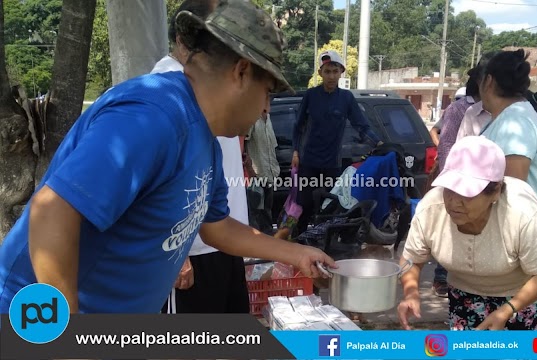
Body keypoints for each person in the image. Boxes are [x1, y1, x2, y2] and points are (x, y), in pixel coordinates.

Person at [0, 0, 334, 314]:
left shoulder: (206, 140)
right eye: (268, 92)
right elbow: (51, 212)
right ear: (242, 72)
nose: (265, 110)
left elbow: (217, 229)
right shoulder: (153, 115)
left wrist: (297, 252)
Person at [397, 136, 537, 330]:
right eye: (449, 189)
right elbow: (412, 259)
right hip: (463, 291)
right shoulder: (430, 209)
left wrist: (508, 309)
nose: (454, 202)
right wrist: (411, 292)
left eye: (466, 193)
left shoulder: (521, 215)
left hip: (522, 293)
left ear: (495, 191)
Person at [151, 0, 251, 314]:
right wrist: (178, 258)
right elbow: (155, 187)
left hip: (225, 237)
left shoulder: (213, 84)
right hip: (190, 251)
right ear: (184, 39)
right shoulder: (166, 88)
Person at [292, 50, 383, 235]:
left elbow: (361, 125)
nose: (331, 76)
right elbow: (298, 126)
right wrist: (295, 151)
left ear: (341, 72)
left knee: (331, 206)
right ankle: (298, 242)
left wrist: (378, 144)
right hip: (308, 162)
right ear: (320, 73)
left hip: (332, 163)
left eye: (335, 71)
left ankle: (326, 244)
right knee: (304, 207)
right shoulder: (311, 95)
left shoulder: (346, 98)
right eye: (327, 72)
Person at [476, 49, 537, 205]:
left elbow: (513, 192)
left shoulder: (514, 122)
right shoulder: (509, 116)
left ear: (488, 81)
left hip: (514, 227)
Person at [430, 82, 479, 297]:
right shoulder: (459, 109)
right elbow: (441, 136)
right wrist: (448, 168)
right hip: (456, 180)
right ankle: (442, 275)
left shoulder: (497, 111)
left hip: (479, 182)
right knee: (451, 227)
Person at [245, 109, 280, 234]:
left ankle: (268, 240)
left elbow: (272, 146)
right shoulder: (251, 117)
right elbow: (243, 142)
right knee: (255, 212)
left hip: (269, 172)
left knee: (267, 211)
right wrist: (249, 169)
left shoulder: (268, 117)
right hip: (255, 173)